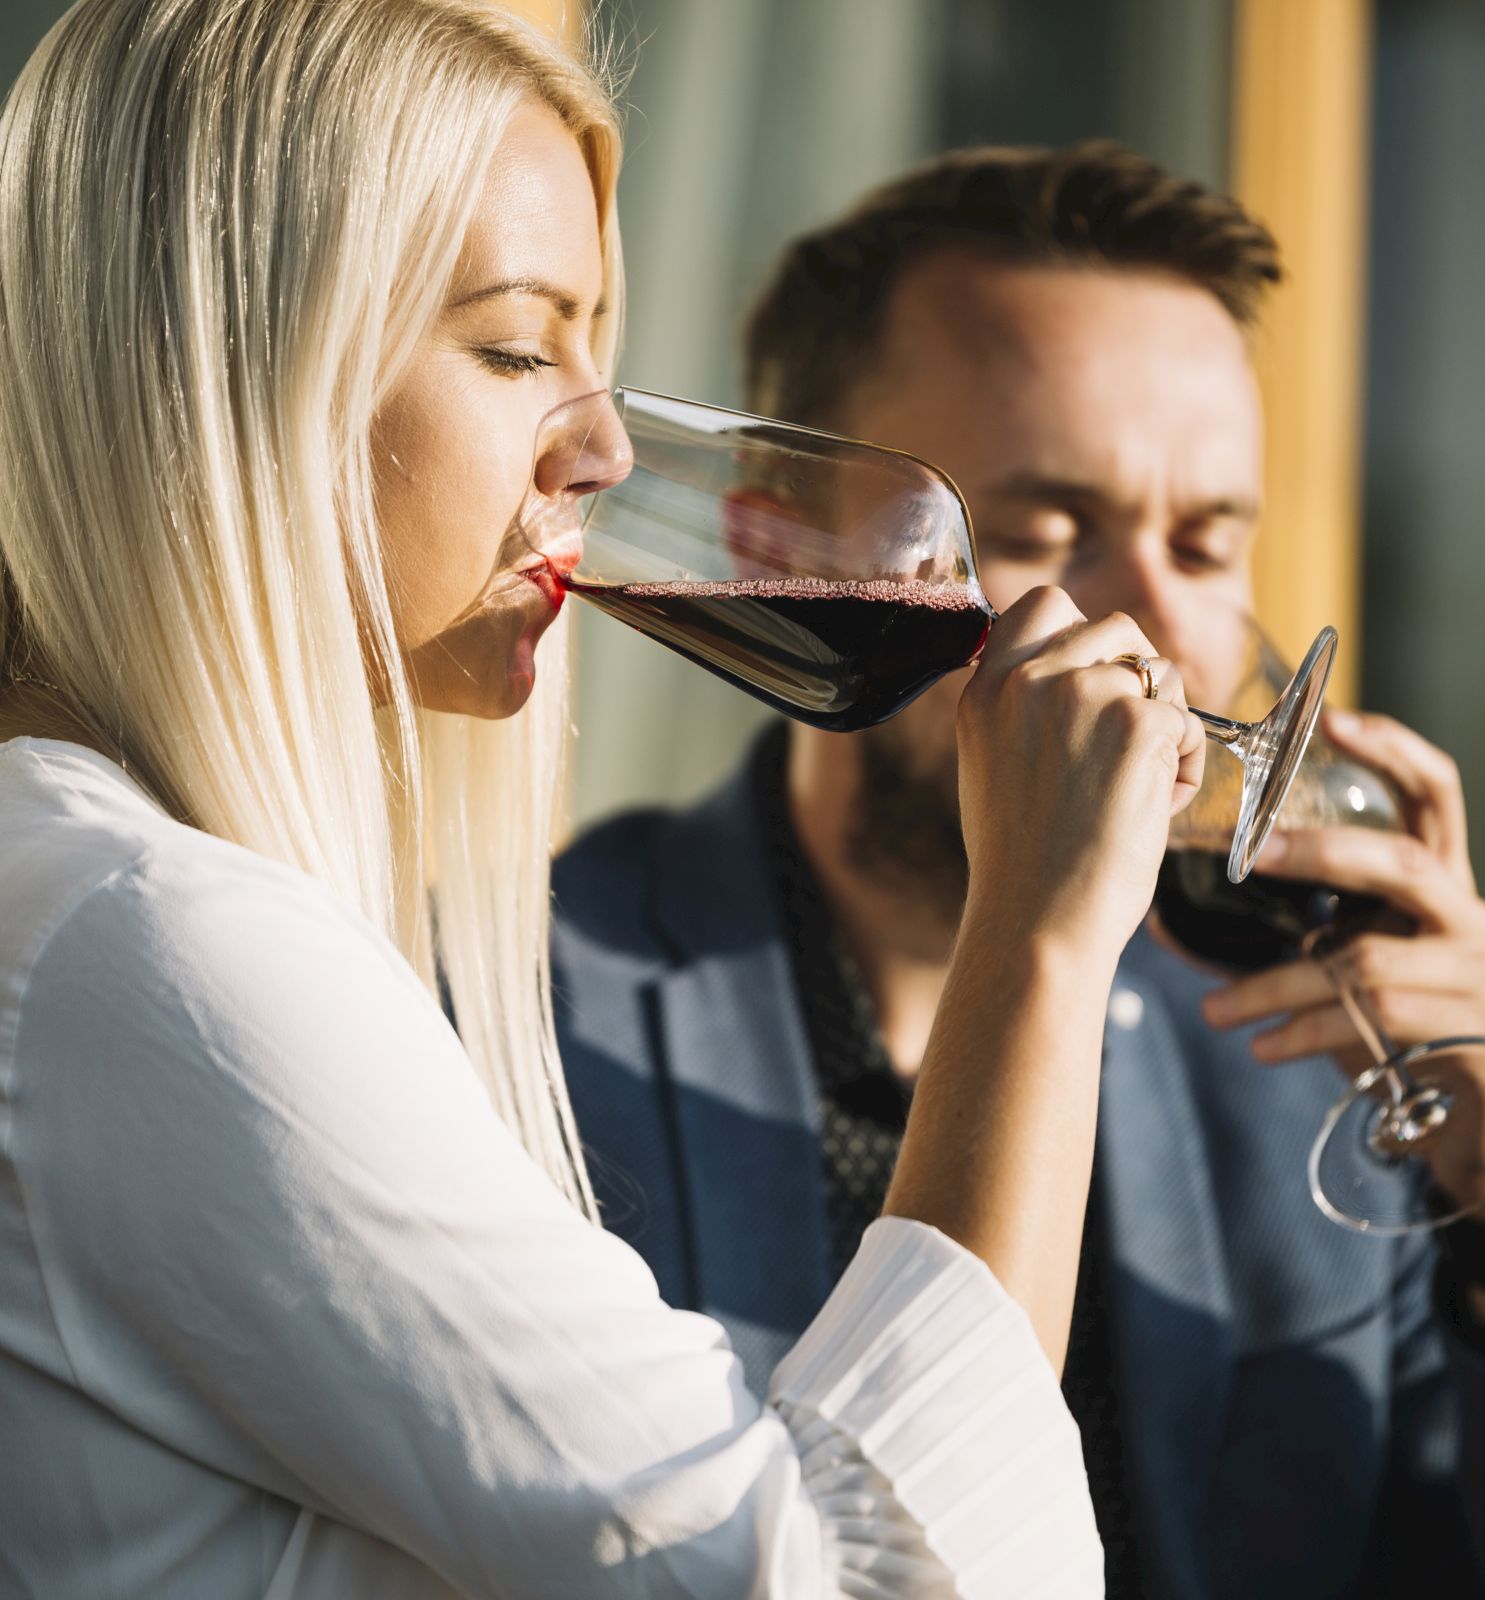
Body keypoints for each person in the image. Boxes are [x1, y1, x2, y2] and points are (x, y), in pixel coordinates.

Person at [0, 4, 1218, 1596]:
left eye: (602, 357)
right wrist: (1043, 941)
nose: (606, 449)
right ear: (223, 357)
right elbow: (863, 1577)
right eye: (516, 348)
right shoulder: (150, 947)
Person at [552, 143, 1485, 1599]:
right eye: (1046, 532)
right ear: (776, 540)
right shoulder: (524, 1004)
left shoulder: (1296, 1052)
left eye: (1208, 539)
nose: (1163, 622)